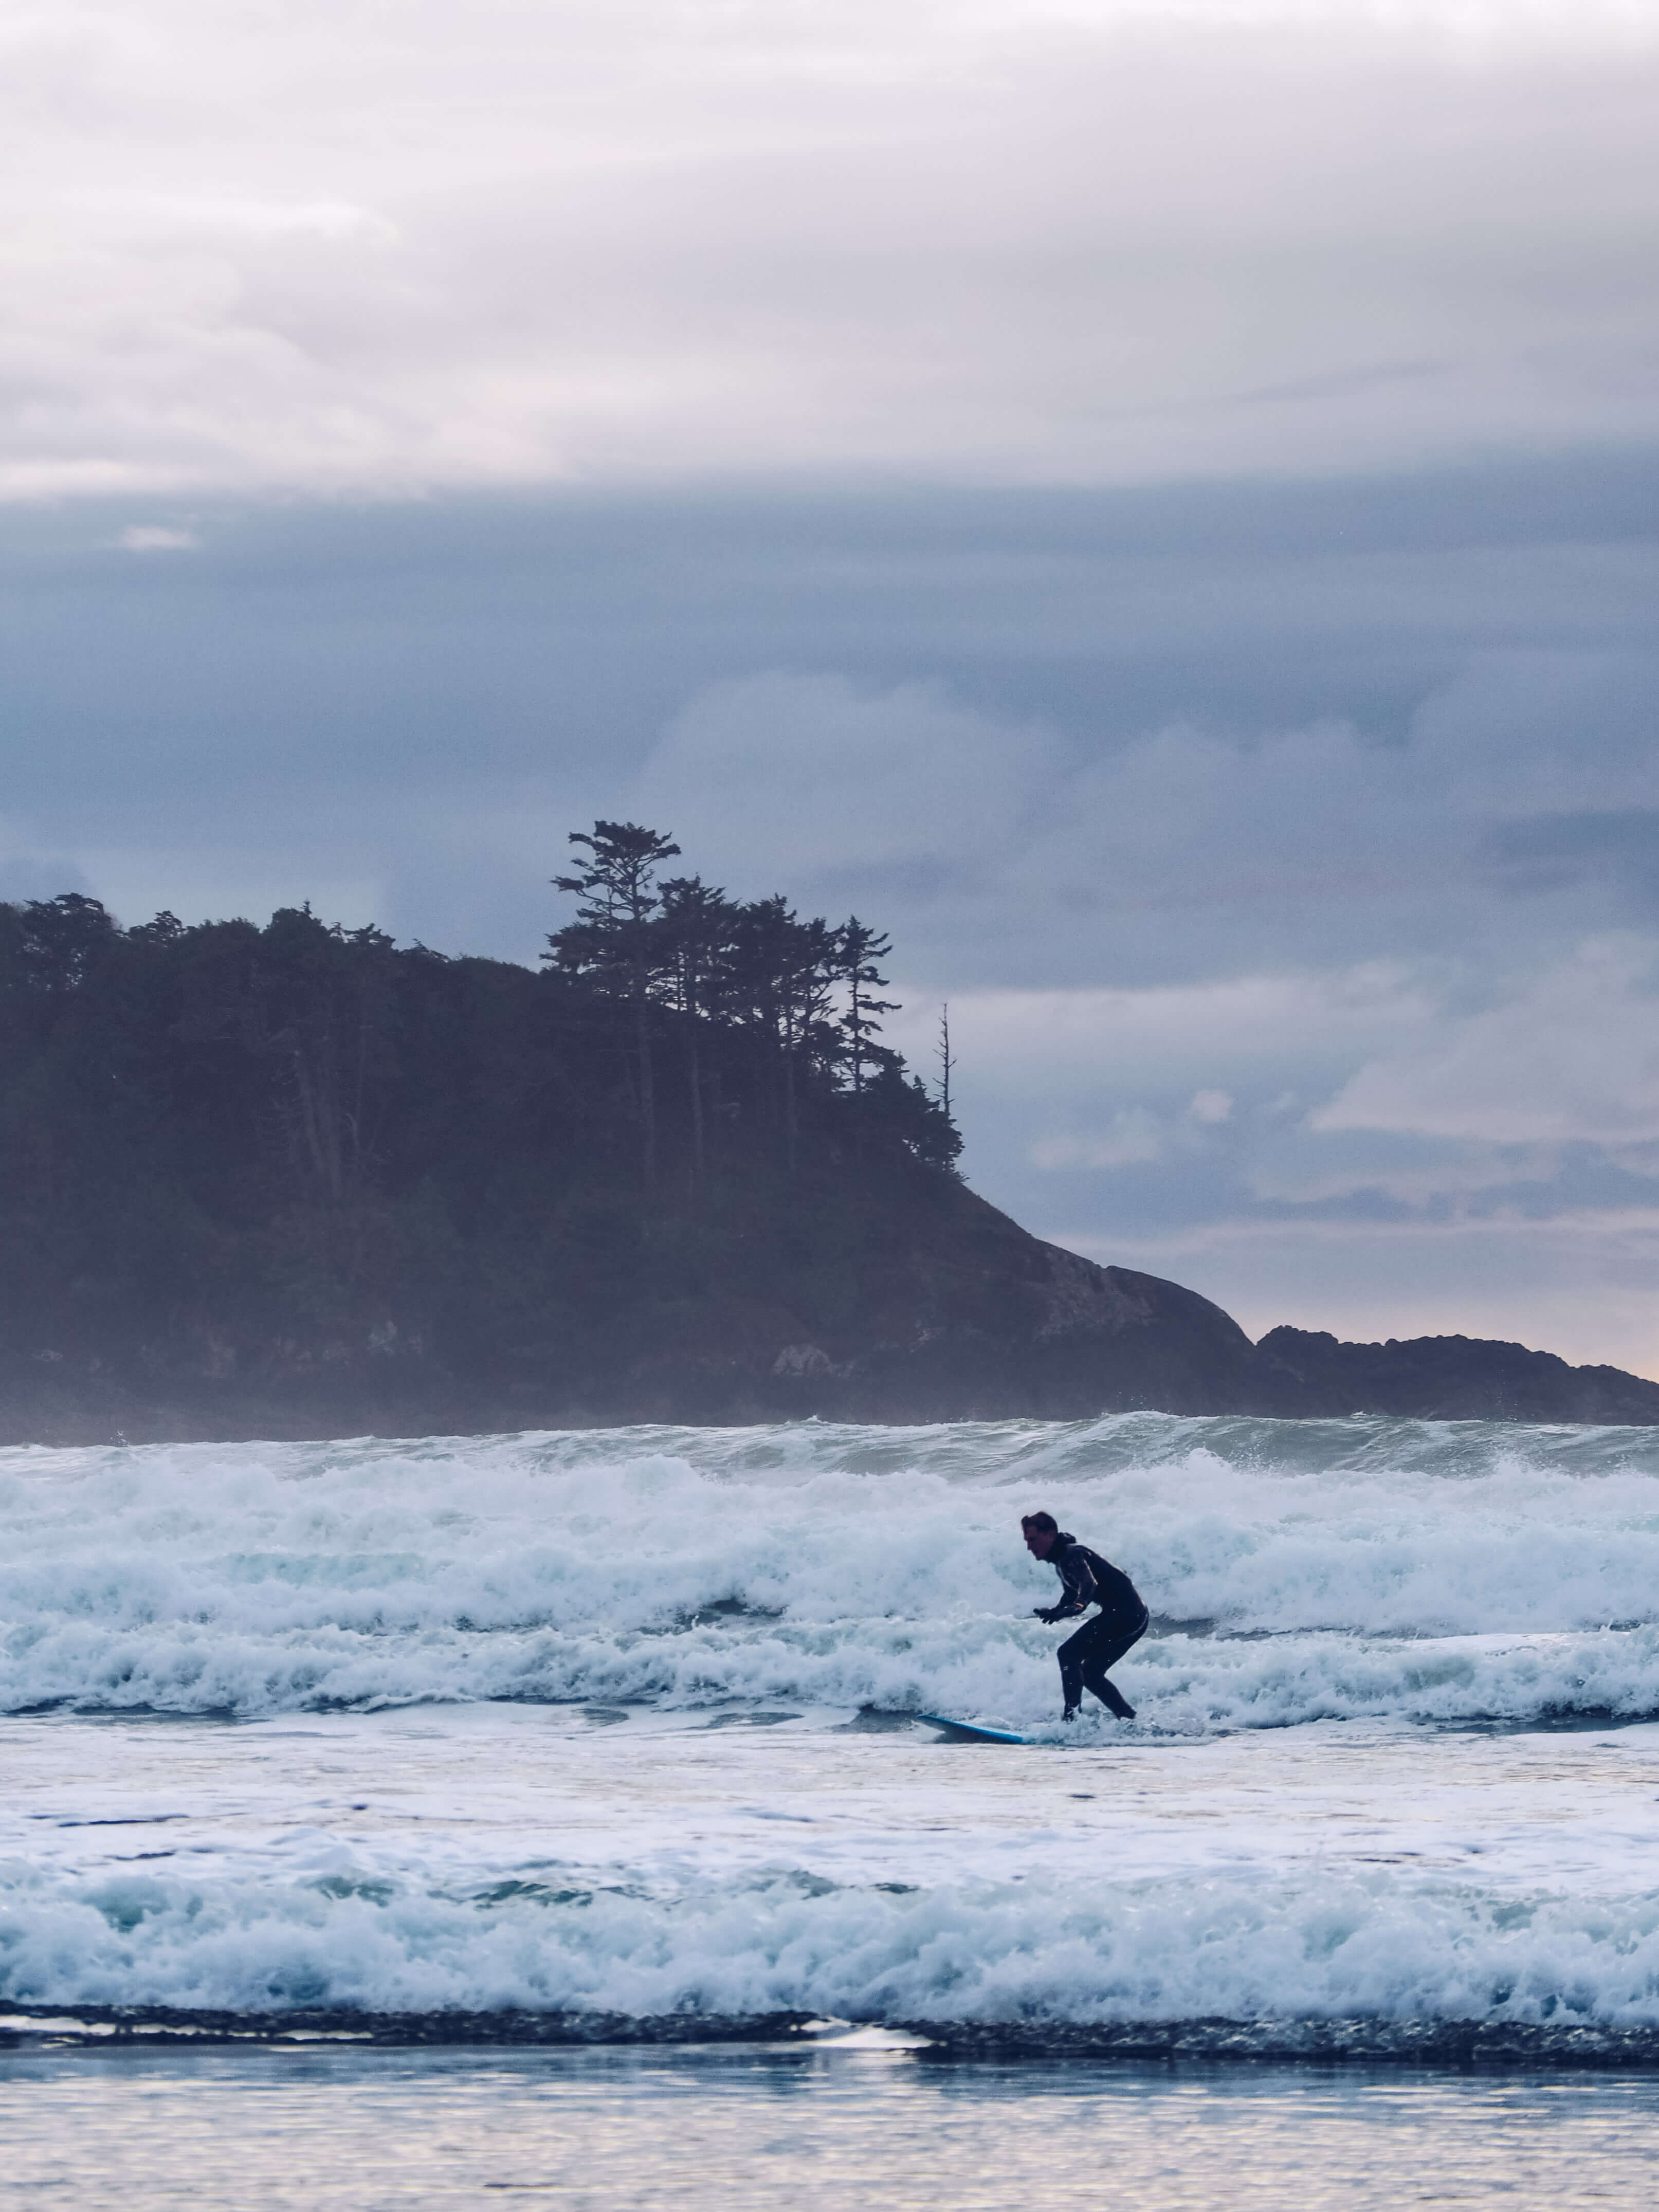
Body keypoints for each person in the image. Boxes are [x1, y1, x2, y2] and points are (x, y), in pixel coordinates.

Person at [1022, 1510, 1148, 1722]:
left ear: (1051, 1534)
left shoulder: (1072, 1555)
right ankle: (1128, 1719)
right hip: (1136, 1616)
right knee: (1090, 1674)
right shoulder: (1062, 1561)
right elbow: (1071, 1593)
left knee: (1067, 1653)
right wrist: (1056, 1612)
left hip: (1125, 1614)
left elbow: (1089, 1584)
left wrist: (1081, 1604)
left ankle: (1071, 1719)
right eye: (1027, 1541)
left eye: (1033, 1539)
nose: (1029, 1547)